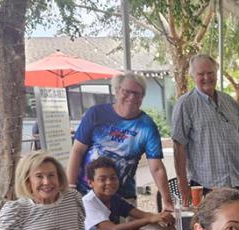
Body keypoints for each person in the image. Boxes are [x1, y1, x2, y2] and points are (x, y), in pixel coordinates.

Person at [66, 71, 174, 212]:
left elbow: (156, 167)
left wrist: (167, 201)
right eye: (126, 91)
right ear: (117, 91)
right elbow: (77, 151)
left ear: (142, 97)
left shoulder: (146, 126)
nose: (132, 97)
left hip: (123, 198)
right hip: (86, 193)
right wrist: (71, 189)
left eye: (138, 93)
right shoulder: (95, 114)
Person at [172, 54, 239, 206]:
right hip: (207, 187)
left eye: (210, 73)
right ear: (192, 76)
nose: (206, 78)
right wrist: (183, 186)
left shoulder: (229, 102)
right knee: (213, 228)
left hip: (237, 182)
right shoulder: (186, 104)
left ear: (216, 73)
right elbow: (178, 146)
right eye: (200, 74)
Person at [82, 156, 174, 230]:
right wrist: (150, 219)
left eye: (113, 178)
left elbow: (141, 215)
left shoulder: (114, 199)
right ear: (90, 183)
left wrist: (161, 217)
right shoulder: (88, 203)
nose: (109, 182)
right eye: (102, 179)